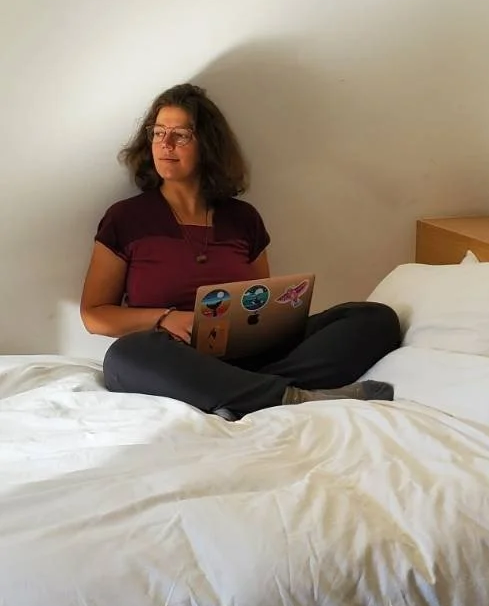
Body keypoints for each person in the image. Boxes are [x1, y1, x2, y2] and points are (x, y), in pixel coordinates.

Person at [81, 83, 400, 418]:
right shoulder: (126, 218)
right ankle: (292, 398)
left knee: (373, 319)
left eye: (181, 134)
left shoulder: (243, 219)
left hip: (248, 354)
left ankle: (240, 392)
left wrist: (269, 324)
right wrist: (164, 318)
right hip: (173, 353)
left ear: (207, 144)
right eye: (158, 132)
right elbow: (94, 314)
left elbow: (261, 303)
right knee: (125, 357)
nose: (166, 144)